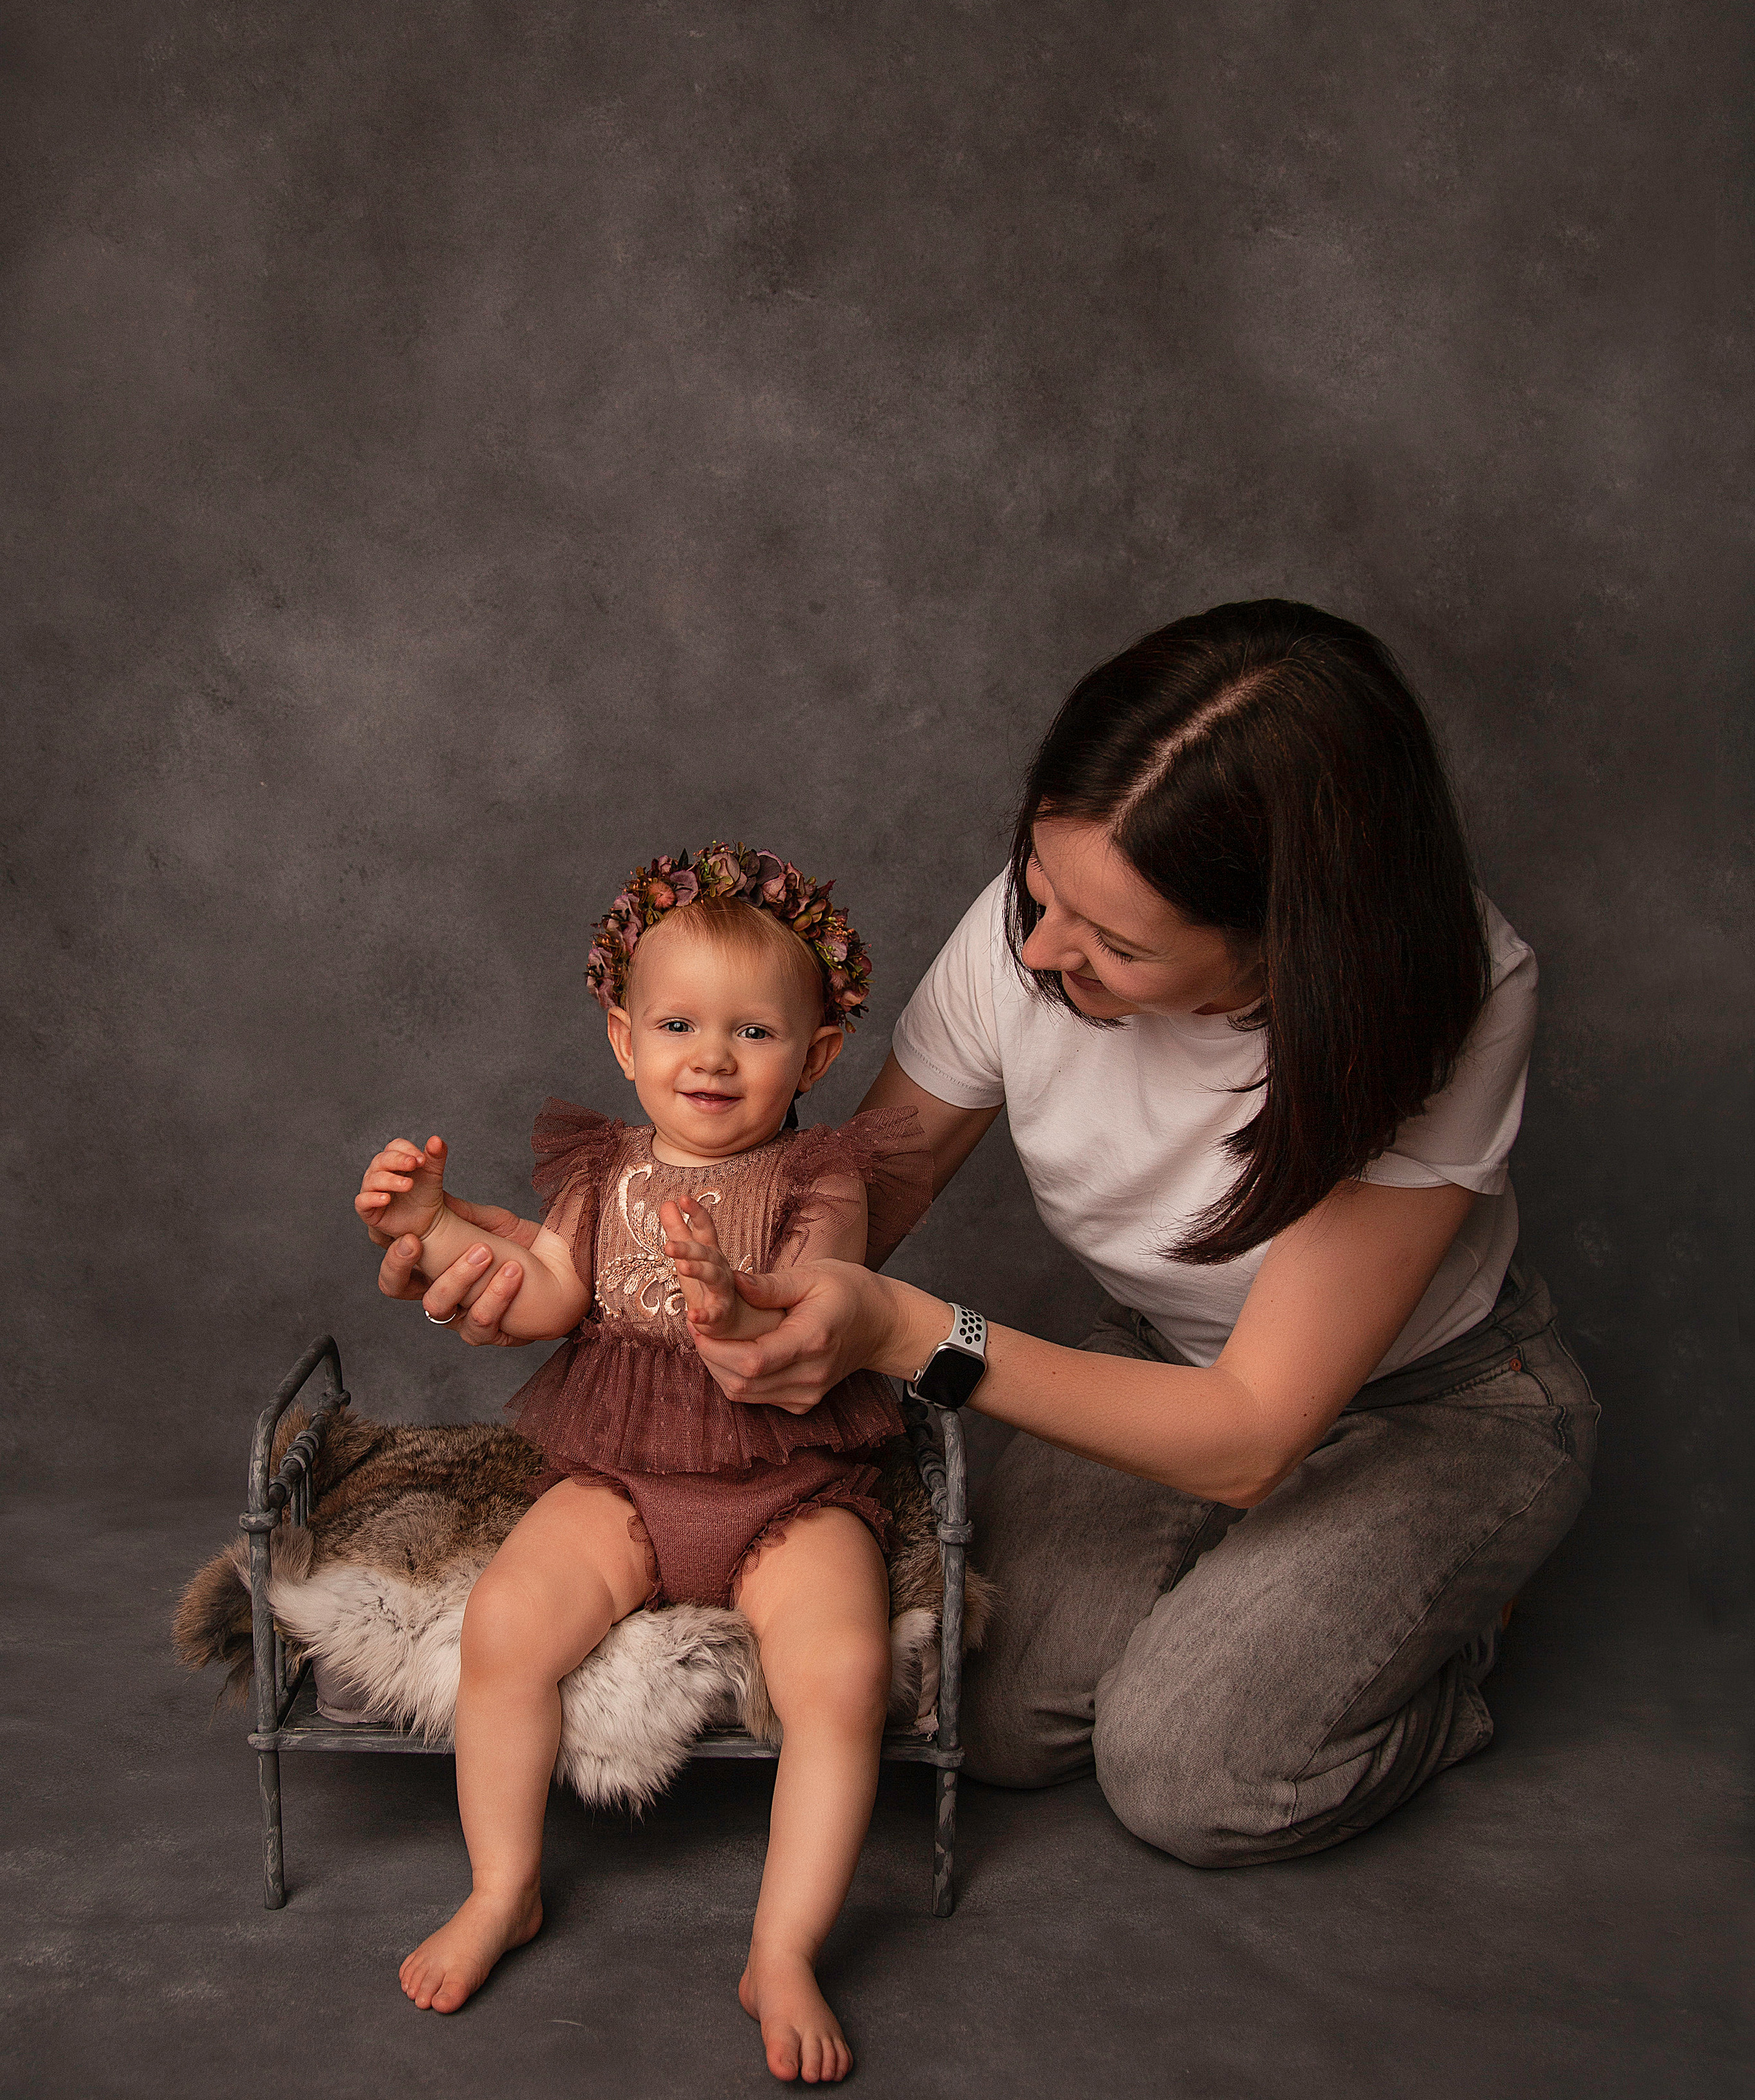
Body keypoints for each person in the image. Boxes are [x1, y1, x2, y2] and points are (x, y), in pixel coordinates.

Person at [382, 601, 1599, 1870]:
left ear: (1292, 945)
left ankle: (1446, 1645)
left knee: (1192, 1775)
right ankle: (1259, 1608)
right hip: (1162, 1355)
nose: (1045, 949)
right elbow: (845, 1215)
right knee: (995, 1715)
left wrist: (907, 1333)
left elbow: (1249, 1434)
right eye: (1039, 884)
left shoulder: (1449, 994)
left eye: (1117, 945)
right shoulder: (1038, 920)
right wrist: (579, 1271)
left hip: (1429, 1399)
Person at [355, 840, 928, 2079]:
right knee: (505, 1625)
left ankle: (783, 1946)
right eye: (677, 1025)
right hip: (623, 1483)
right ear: (625, 1040)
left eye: (754, 1032)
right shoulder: (604, 1170)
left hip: (788, 1490)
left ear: (817, 1055)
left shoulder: (822, 1178)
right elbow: (542, 1298)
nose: (711, 1057)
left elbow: (812, 1306)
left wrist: (732, 1298)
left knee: (843, 1672)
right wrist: (435, 1228)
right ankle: (503, 1886)